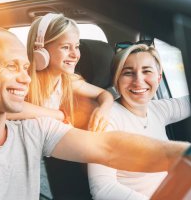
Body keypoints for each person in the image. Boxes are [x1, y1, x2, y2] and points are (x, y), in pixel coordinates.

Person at [0, 27, 189, 200]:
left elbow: (108, 147)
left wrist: (190, 156)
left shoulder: (33, 129)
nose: (26, 78)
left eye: (25, 67)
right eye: (11, 66)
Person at [6, 13, 113, 199]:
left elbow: (105, 95)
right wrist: (56, 115)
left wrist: (102, 109)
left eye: (77, 47)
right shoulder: (25, 79)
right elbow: (7, 110)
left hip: (49, 160)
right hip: (19, 163)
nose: (75, 54)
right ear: (41, 51)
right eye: (65, 47)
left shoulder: (67, 81)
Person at [87, 42, 191, 200]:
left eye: (146, 71)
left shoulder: (157, 109)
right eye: (128, 73)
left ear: (159, 77)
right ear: (116, 80)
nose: (138, 81)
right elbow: (102, 189)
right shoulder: (106, 119)